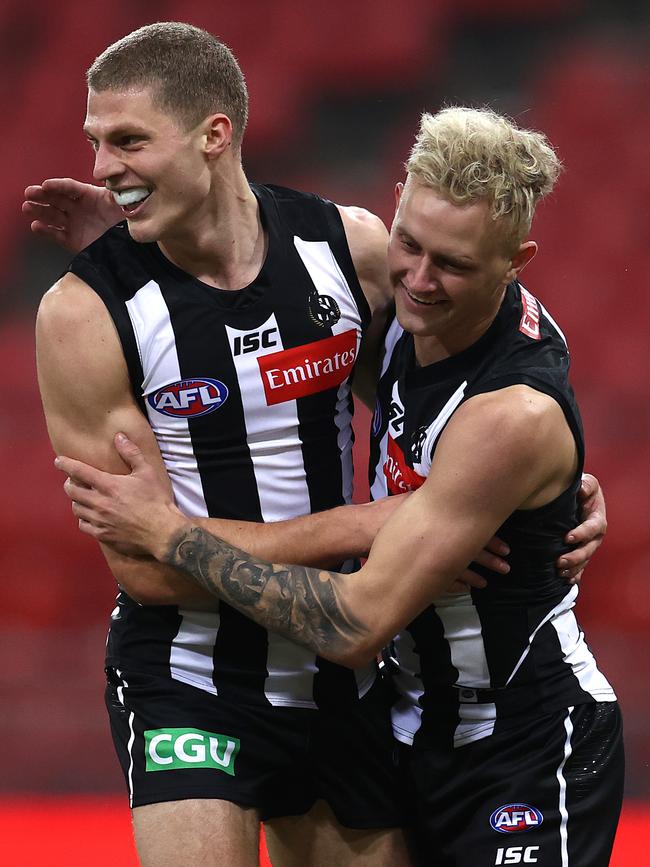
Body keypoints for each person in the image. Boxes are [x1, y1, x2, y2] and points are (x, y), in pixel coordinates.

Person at [55, 107, 623, 867]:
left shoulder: (509, 412)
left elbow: (355, 625)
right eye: (409, 243)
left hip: (523, 738)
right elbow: (255, 329)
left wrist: (170, 532)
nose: (420, 279)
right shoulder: (395, 310)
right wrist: (135, 250)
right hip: (412, 731)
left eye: (451, 263)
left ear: (515, 259)